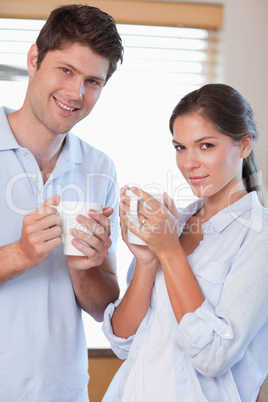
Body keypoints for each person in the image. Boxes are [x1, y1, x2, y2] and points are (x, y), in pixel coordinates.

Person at [102, 83, 268, 402]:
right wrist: (149, 262)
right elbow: (123, 341)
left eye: (205, 146)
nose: (188, 163)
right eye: (180, 147)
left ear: (244, 145)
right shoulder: (172, 224)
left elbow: (213, 356)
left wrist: (169, 251)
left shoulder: (259, 235)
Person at [0, 4, 123, 401]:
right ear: (35, 58)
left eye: (93, 81)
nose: (76, 94)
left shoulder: (100, 168)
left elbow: (105, 305)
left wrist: (84, 268)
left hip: (61, 390)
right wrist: (20, 254)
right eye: (66, 70)